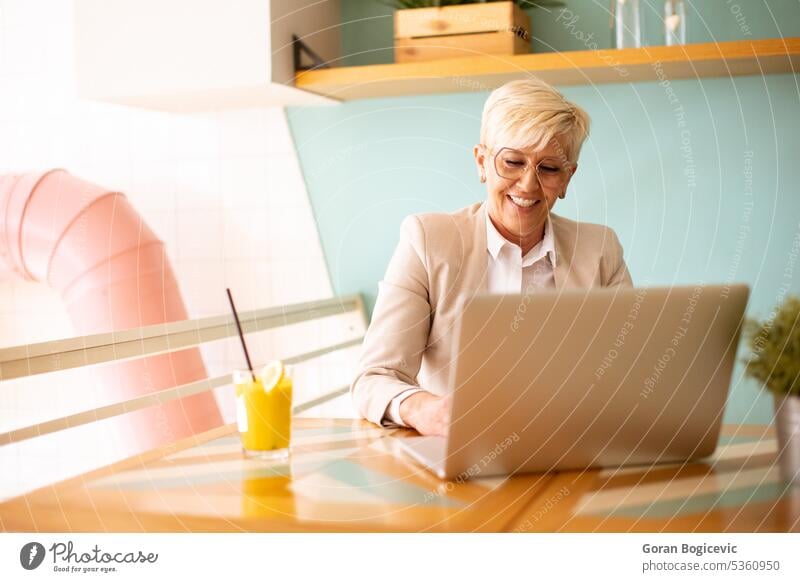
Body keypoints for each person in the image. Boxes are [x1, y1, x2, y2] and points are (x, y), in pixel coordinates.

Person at [351, 78, 633, 436]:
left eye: (548, 169)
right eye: (513, 161)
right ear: (482, 161)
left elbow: (630, 374)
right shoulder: (427, 240)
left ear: (567, 179)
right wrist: (423, 409)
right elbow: (374, 378)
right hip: (458, 462)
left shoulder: (600, 250)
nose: (528, 185)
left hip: (570, 453)